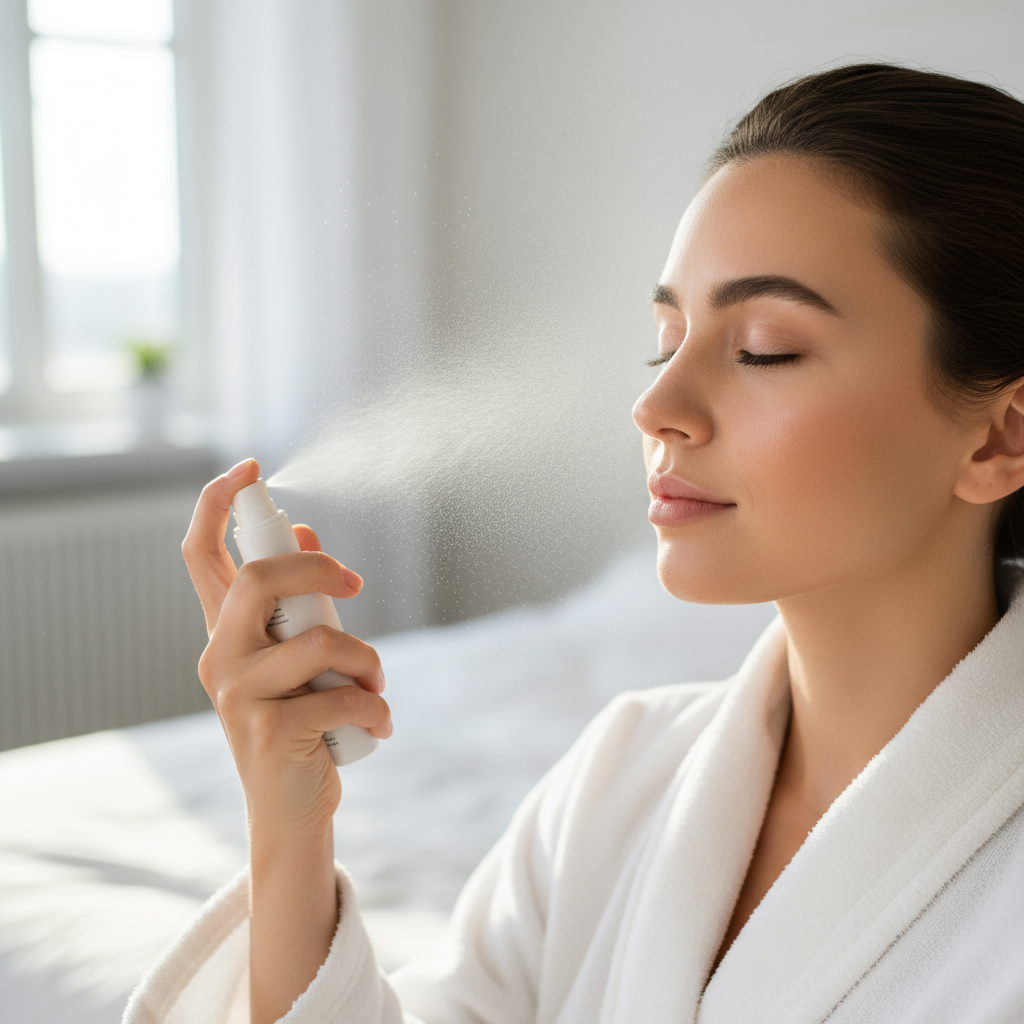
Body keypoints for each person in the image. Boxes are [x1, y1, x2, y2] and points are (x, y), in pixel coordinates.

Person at [124, 62, 1024, 1024]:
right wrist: (288, 829)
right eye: (665, 340)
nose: (656, 404)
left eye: (765, 347)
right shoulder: (622, 775)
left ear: (999, 437)